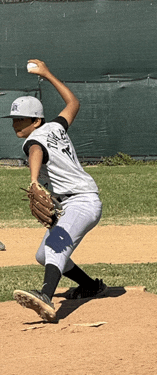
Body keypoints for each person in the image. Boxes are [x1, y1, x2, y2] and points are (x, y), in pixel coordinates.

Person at [5, 59, 107, 322]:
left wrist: (34, 180)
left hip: (80, 202)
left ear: (36, 120)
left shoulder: (35, 139)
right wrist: (48, 74)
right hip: (79, 201)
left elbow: (36, 151)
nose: (16, 124)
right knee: (43, 255)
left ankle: (46, 297)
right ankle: (90, 286)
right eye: (14, 119)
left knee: (55, 247)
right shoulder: (55, 127)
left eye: (21, 119)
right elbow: (73, 103)